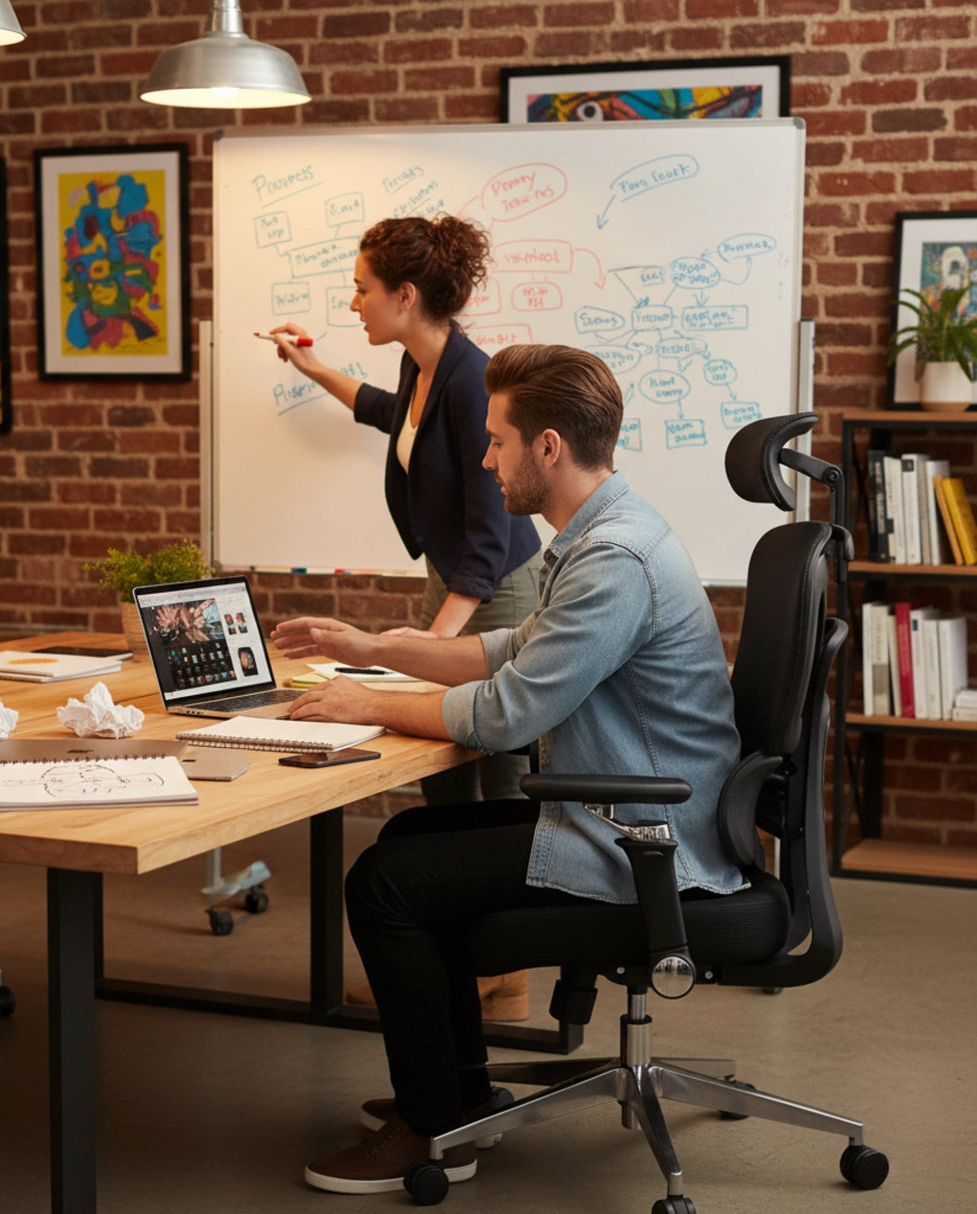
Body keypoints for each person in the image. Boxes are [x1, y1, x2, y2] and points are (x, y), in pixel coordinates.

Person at [270, 344, 745, 1196]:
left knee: (388, 884)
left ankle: (434, 1129)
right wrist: (379, 650)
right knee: (414, 838)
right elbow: (511, 651)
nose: (486, 460)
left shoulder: (613, 561)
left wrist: (364, 703)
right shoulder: (605, 529)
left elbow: (506, 714)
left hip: (643, 837)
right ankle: (457, 1098)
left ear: (549, 447)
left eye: (497, 442)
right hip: (632, 812)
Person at [267, 214, 543, 807]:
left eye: (364, 288)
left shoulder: (473, 381)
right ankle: (444, 885)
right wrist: (312, 368)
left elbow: (491, 531)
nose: (355, 301)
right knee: (437, 757)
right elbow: (391, 413)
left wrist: (434, 641)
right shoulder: (420, 364)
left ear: (405, 295)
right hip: (450, 578)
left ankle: (500, 890)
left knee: (499, 772)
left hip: (500, 589)